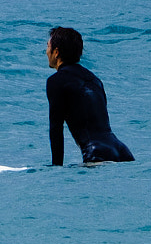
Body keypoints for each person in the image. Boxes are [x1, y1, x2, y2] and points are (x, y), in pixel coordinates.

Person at [46, 26, 134, 167]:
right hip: (122, 151)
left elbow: (56, 127)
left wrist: (56, 169)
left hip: (97, 154)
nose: (46, 52)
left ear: (56, 52)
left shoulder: (56, 81)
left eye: (48, 46)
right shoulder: (94, 79)